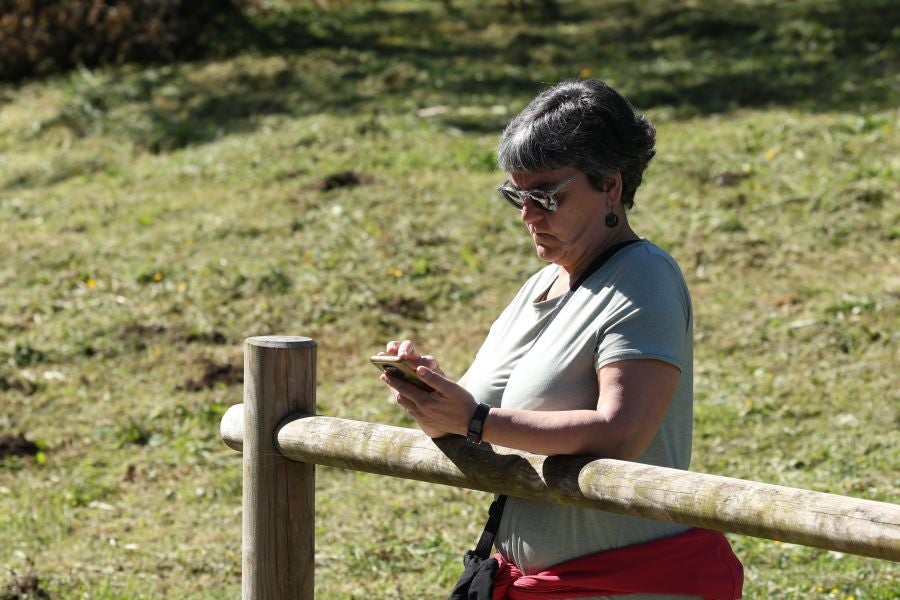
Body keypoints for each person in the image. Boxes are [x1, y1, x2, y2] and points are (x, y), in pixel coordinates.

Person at [378, 79, 743, 600]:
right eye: (517, 196)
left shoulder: (646, 277)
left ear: (610, 185)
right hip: (532, 582)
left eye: (547, 195)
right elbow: (498, 418)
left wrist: (473, 418)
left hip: (630, 583)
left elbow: (622, 432)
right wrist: (435, 395)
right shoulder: (539, 285)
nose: (529, 216)